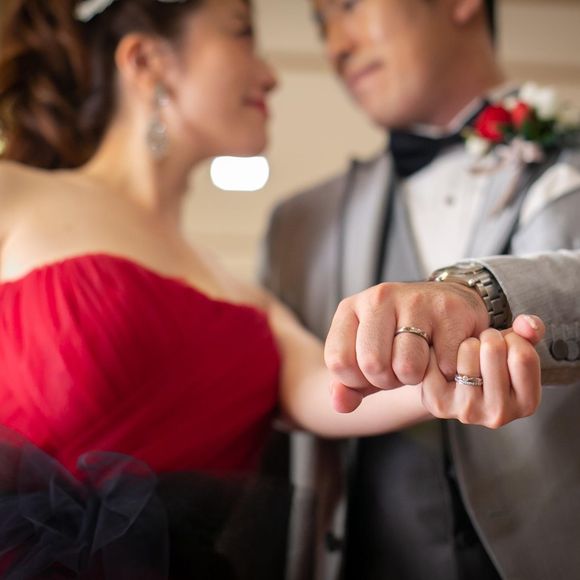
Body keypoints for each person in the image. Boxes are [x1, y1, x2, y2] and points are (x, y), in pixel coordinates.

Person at [0, 1, 542, 578]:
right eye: (242, 34)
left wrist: (459, 365)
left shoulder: (243, 293)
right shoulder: (15, 195)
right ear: (145, 61)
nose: (270, 75)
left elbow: (332, 386)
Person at [261, 0, 580, 578]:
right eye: (321, 24)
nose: (336, 44)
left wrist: (478, 295)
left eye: (350, 6)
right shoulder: (297, 225)